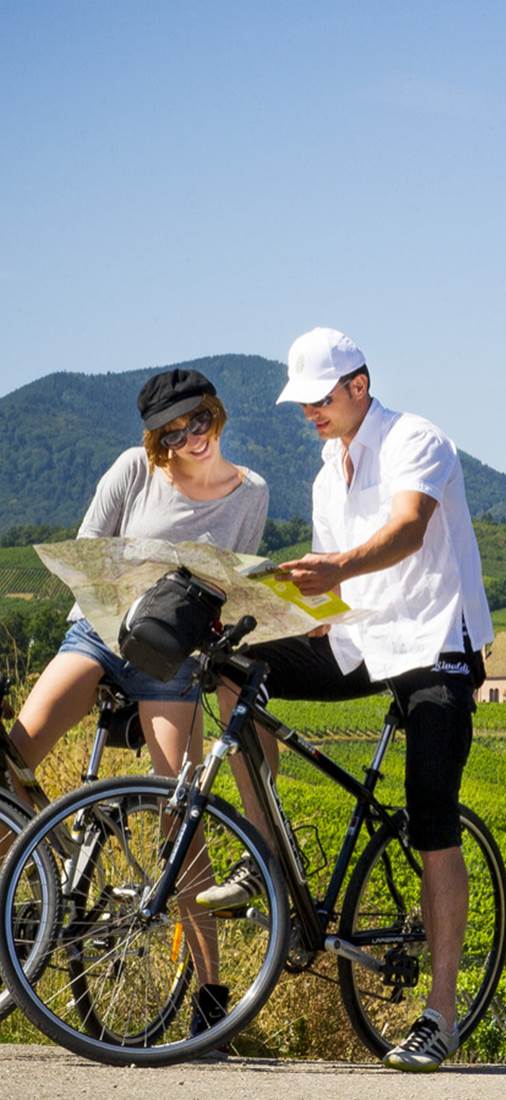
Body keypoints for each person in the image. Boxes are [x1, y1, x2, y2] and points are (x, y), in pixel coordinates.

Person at [201, 326, 491, 1072]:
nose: (309, 414)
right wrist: (258, 609)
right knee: (231, 664)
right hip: (361, 644)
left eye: (319, 399)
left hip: (435, 648)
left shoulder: (417, 440)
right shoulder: (329, 476)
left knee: (431, 818)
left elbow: (405, 532)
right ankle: (266, 855)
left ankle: (441, 1013)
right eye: (301, 403)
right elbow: (335, 595)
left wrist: (333, 567)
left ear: (359, 386)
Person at [4, 367, 269, 1038]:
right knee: (11, 759)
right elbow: (86, 555)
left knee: (181, 813)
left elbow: (232, 590)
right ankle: (29, 868)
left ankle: (211, 995)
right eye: (172, 432)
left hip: (171, 657)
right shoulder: (132, 469)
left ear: (217, 414)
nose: (188, 438)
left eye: (197, 422)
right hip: (100, 629)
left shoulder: (250, 494)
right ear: (156, 439)